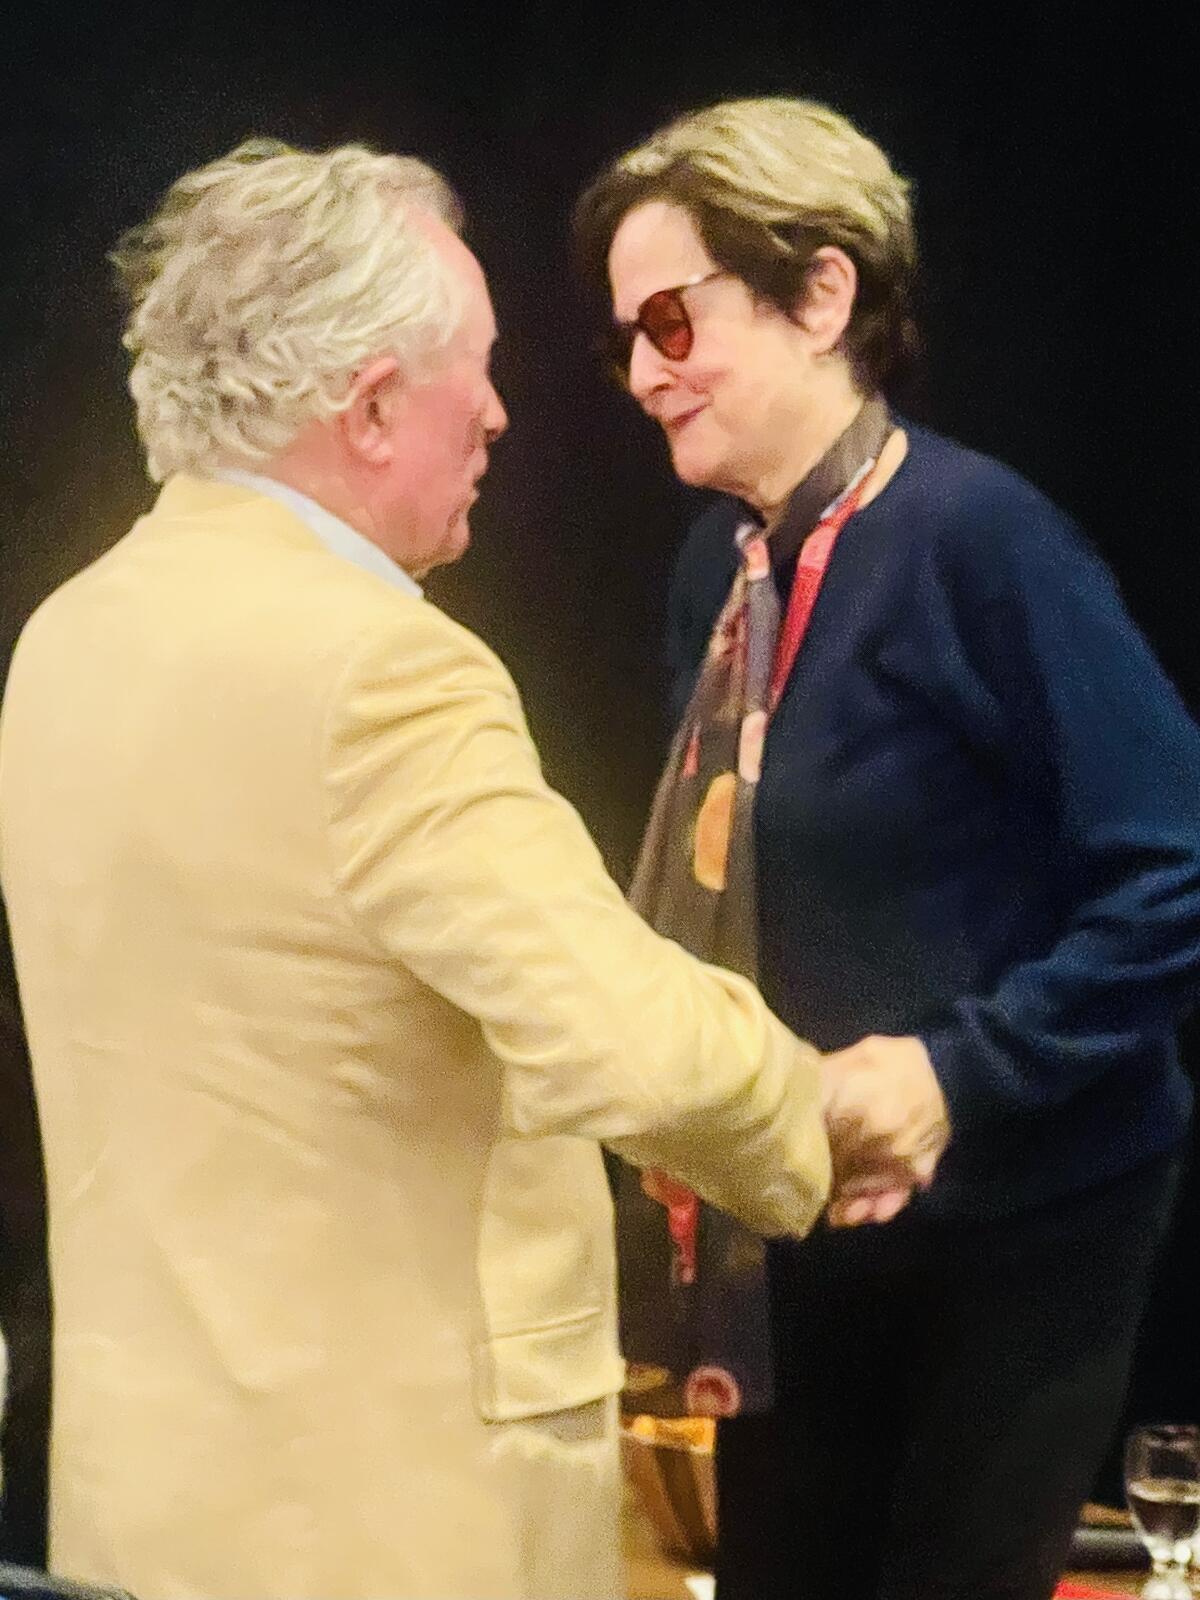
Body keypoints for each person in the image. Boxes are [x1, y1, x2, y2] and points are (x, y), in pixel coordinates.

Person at [0, 139, 941, 1600]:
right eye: (479, 372)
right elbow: (627, 1043)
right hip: (393, 1536)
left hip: (136, 1521)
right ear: (372, 406)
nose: (502, 415)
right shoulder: (382, 672)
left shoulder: (63, 641)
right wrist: (822, 1114)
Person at [574, 96, 1200, 1600]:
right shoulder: (717, 576)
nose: (647, 375)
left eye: (673, 321)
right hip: (805, 1213)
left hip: (1021, 1223)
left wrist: (948, 1075)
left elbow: (1176, 872)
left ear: (824, 291)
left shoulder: (985, 542)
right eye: (625, 342)